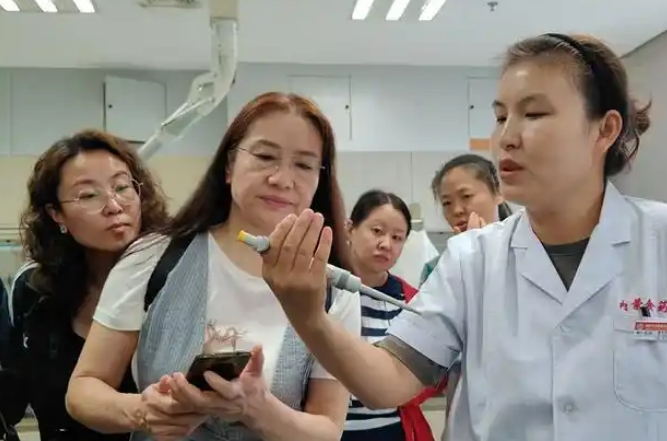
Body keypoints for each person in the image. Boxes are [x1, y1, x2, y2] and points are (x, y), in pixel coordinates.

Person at [259, 33, 661, 441]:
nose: (506, 137)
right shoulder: (472, 258)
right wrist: (310, 317)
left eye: (534, 114)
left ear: (605, 129)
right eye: (500, 117)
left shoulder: (658, 243)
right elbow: (389, 380)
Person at [66, 92, 361, 441]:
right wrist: (142, 410)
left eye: (304, 165)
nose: (283, 179)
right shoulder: (153, 257)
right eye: (265, 156)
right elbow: (84, 390)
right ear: (229, 165)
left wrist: (258, 410)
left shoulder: (333, 290)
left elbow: (327, 429)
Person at [0, 129, 169, 441]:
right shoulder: (34, 289)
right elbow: (12, 397)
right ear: (56, 214)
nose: (114, 205)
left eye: (122, 187)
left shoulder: (172, 281)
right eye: (89, 195)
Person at [342, 190, 444, 441]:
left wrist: (399, 389)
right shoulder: (318, 291)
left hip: (396, 432)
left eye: (397, 238)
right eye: (377, 231)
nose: (386, 244)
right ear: (350, 229)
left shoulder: (411, 300)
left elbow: (434, 370)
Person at [420, 153, 511, 285]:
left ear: (498, 192)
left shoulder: (526, 253)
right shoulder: (436, 270)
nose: (457, 210)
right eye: (447, 203)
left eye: (466, 196)